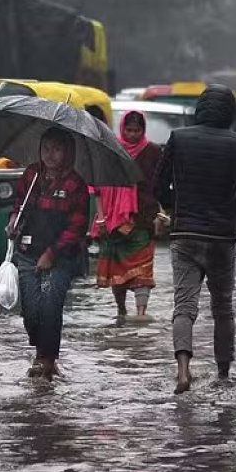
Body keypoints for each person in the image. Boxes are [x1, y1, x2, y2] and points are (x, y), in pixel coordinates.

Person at [155, 84, 236, 395]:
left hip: (185, 234)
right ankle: (224, 373)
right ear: (229, 111)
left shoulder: (178, 139)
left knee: (184, 307)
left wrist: (175, 209)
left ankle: (183, 371)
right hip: (221, 237)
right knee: (223, 307)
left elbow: (158, 185)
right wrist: (227, 209)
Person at [6, 128, 89, 381]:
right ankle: (41, 350)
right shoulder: (31, 175)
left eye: (57, 149)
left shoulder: (76, 185)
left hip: (61, 258)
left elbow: (76, 228)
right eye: (46, 148)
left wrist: (52, 255)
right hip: (28, 253)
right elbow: (19, 205)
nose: (50, 155)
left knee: (51, 306)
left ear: (67, 152)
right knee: (31, 310)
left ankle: (47, 359)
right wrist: (13, 222)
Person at [91, 111, 163, 321]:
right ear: (122, 129)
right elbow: (100, 185)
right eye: (129, 130)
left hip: (143, 217)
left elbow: (157, 184)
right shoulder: (112, 151)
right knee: (117, 271)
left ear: (143, 131)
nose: (132, 135)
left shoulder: (153, 152)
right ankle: (121, 310)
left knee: (143, 270)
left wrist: (160, 213)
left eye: (137, 130)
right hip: (115, 221)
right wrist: (102, 217)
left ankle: (141, 313)